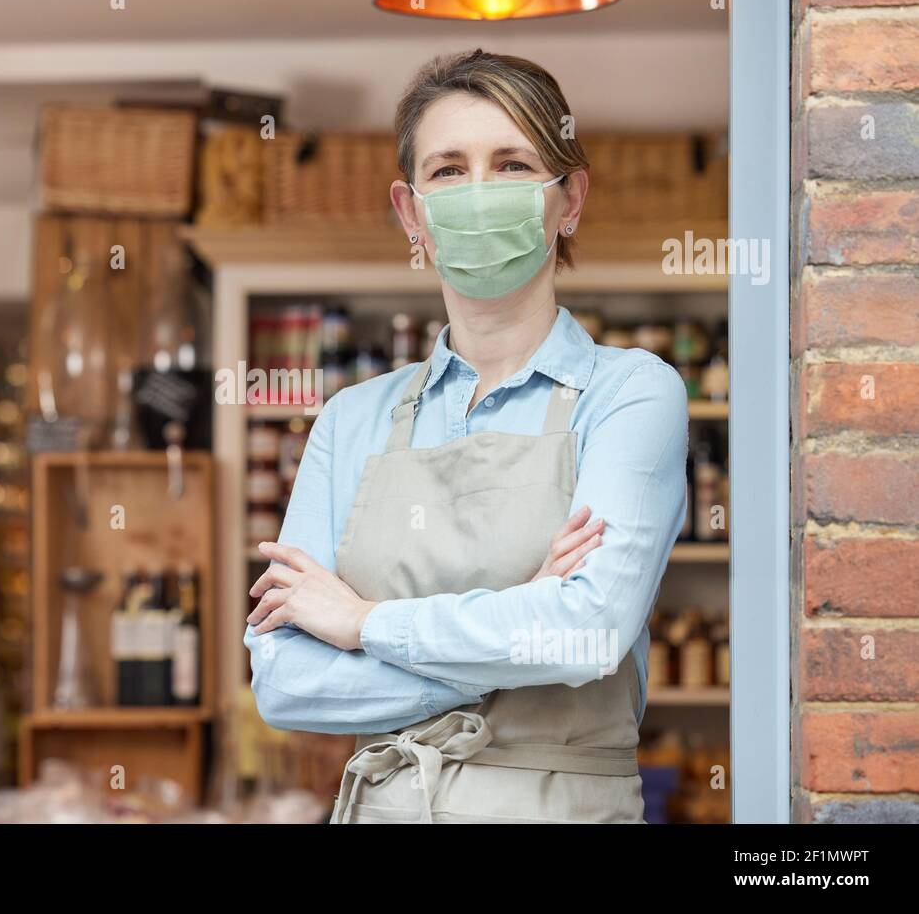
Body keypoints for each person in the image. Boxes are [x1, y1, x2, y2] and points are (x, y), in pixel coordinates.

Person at [243, 49, 688, 824]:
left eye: (513, 165)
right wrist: (514, 629)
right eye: (448, 171)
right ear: (412, 211)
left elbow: (586, 632)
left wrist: (362, 624)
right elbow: (284, 681)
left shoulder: (631, 392)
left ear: (569, 198)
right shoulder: (351, 420)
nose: (479, 193)